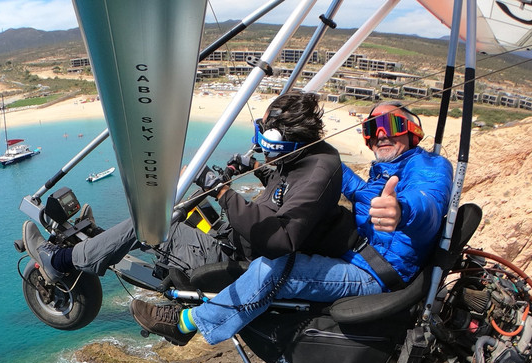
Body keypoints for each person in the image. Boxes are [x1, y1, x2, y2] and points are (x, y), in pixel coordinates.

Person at [130, 101, 454, 346]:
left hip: (374, 274)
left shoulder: (430, 166)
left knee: (277, 268)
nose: (381, 133)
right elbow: (341, 181)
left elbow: (430, 203)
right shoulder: (381, 175)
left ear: (412, 130)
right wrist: (262, 166)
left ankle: (187, 323)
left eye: (391, 124)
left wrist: (401, 209)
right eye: (372, 128)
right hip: (356, 254)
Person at [22, 90, 350, 297]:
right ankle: (97, 242)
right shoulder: (304, 156)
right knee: (184, 207)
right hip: (232, 237)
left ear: (285, 143)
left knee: (156, 222)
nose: (269, 155)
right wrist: (258, 169)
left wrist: (220, 190)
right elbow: (285, 193)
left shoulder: (319, 170)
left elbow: (281, 240)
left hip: (237, 260)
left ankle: (61, 260)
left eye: (270, 149)